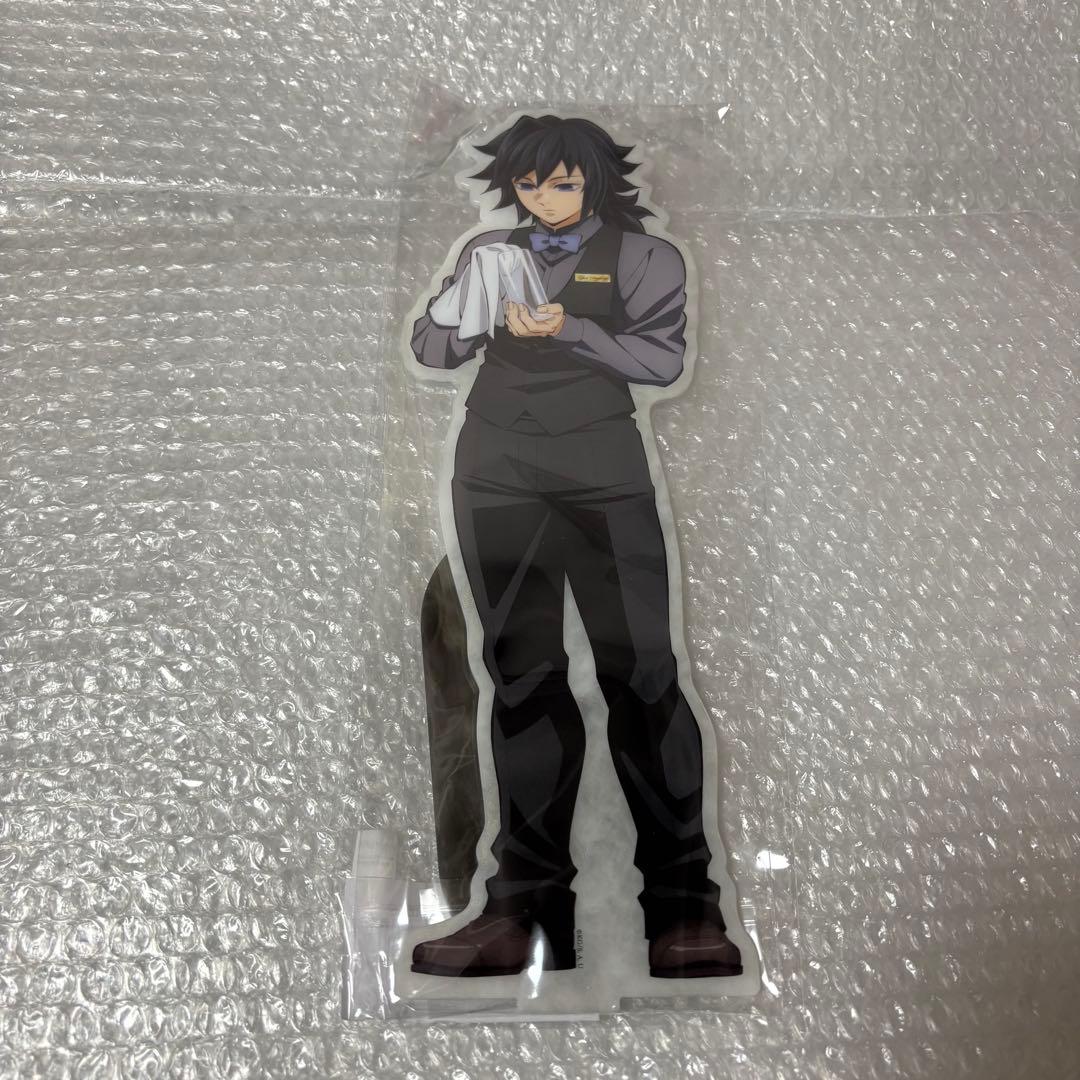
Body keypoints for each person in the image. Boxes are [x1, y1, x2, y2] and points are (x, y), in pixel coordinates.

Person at [408, 115, 742, 979]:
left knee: (644, 677)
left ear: (595, 180)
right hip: (496, 472)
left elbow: (661, 362)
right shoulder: (490, 252)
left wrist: (570, 331)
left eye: (561, 182)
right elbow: (431, 348)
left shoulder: (645, 258)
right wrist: (462, 311)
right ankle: (525, 913)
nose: (544, 199)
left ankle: (685, 907)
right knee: (519, 684)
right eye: (529, 184)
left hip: (604, 476)